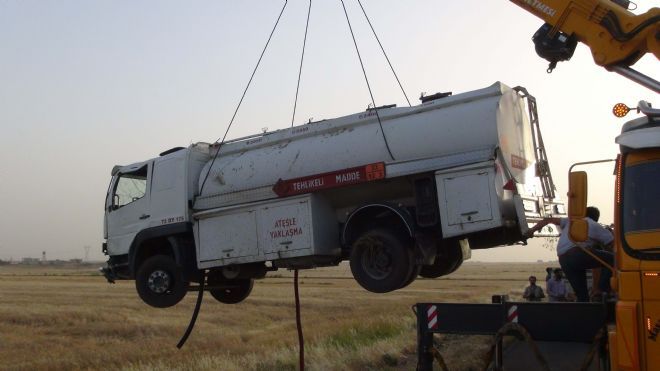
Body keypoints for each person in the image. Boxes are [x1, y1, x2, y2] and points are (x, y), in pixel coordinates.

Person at [527, 206, 614, 302]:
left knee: (582, 295)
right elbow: (613, 246)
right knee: (614, 259)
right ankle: (600, 290)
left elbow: (548, 219)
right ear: (596, 218)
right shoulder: (594, 225)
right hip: (577, 255)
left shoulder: (571, 221)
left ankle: (583, 312)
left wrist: (532, 230)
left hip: (563, 259)